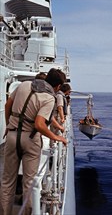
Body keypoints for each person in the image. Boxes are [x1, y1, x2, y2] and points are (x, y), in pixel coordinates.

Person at [1, 68, 67, 215]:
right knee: (29, 183)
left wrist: (8, 126)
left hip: (12, 136)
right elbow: (39, 124)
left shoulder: (23, 85)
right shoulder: (50, 98)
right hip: (31, 140)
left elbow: (7, 106)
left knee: (7, 182)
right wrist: (56, 137)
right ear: (57, 86)